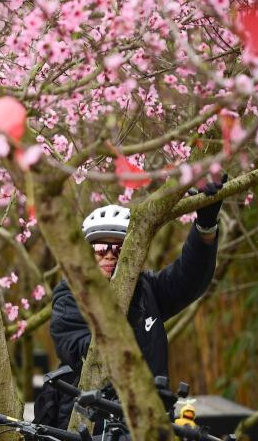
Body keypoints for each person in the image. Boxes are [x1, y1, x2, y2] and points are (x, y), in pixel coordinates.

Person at [35, 176, 227, 429]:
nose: (110, 256)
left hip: (148, 421)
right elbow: (81, 347)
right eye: (101, 247)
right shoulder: (70, 296)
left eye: (120, 248)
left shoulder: (147, 289)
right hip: (91, 423)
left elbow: (189, 278)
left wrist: (206, 223)